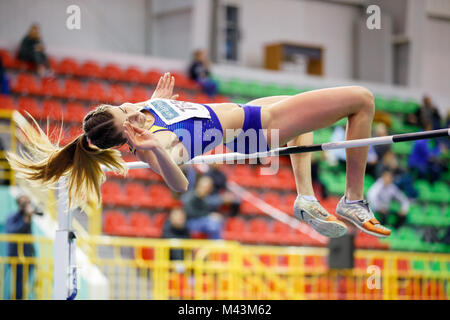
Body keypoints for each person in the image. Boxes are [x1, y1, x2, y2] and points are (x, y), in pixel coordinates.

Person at [7, 72, 391, 239]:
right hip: (255, 127)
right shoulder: (158, 145)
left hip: (250, 113)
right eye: (125, 112)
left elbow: (158, 111)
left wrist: (154, 102)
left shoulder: (142, 110)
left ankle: (305, 197)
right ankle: (352, 200)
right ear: (128, 133)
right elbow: (180, 184)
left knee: (303, 121)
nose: (129, 105)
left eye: (121, 104)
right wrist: (155, 149)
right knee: (361, 101)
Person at [5, 194, 36, 299]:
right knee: (18, 284)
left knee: (23, 284)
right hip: (16, 256)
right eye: (24, 203)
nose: (27, 205)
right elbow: (12, 231)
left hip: (28, 256)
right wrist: (26, 220)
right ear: (19, 204)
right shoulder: (12, 217)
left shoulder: (28, 216)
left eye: (28, 202)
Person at [181, 175, 224, 240]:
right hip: (190, 222)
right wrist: (209, 215)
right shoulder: (190, 196)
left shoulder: (205, 197)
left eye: (210, 187)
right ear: (200, 185)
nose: (209, 189)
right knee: (213, 224)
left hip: (202, 220)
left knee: (217, 220)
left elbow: (213, 201)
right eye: (207, 186)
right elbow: (189, 213)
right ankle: (216, 246)